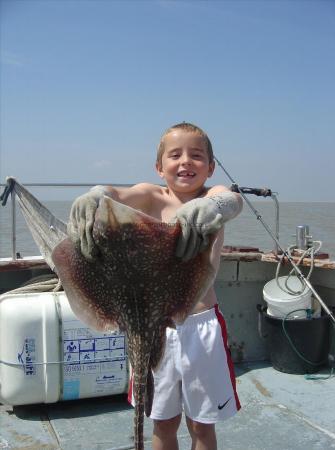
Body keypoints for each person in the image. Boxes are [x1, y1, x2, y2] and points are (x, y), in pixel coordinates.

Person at [68, 122, 243, 450]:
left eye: (197, 155)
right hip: (151, 329)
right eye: (175, 155)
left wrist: (213, 207)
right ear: (159, 167)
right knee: (162, 424)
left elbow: (233, 200)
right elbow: (115, 194)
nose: (186, 161)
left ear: (211, 167)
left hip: (201, 327)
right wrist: (96, 194)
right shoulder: (150, 196)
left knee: (202, 426)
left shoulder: (213, 196)